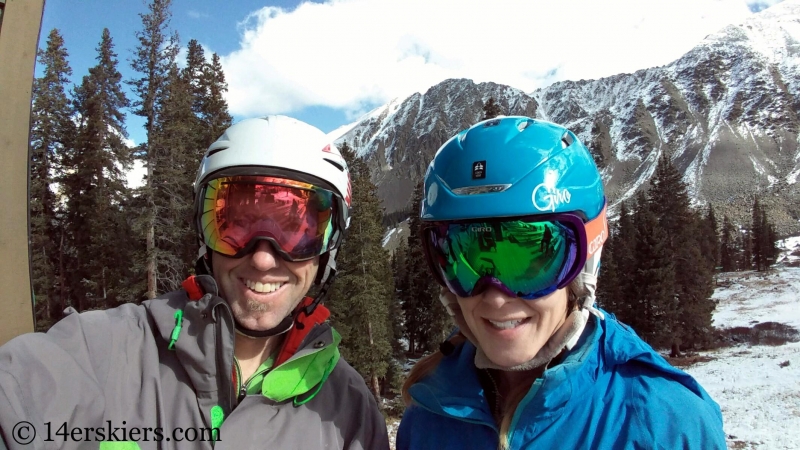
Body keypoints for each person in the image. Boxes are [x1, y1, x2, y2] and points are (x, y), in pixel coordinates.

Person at [0, 116, 390, 450]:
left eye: (296, 232)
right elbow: (20, 397)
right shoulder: (98, 354)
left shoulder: (350, 415)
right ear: (204, 237)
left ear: (328, 250)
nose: (263, 257)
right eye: (235, 226)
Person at [396, 116, 726, 449]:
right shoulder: (428, 413)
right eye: (464, 263)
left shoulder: (663, 422)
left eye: (528, 262)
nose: (495, 297)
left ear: (582, 267)